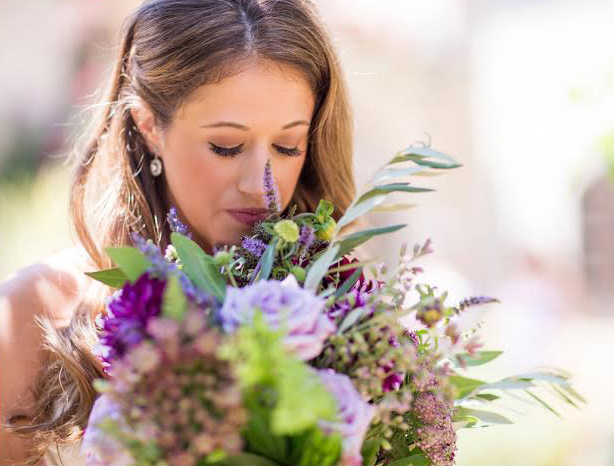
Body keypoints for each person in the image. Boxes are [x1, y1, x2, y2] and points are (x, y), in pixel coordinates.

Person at [0, 0, 356, 463]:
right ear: (148, 124)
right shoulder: (35, 313)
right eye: (226, 146)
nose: (260, 186)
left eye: (288, 146)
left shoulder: (342, 311)